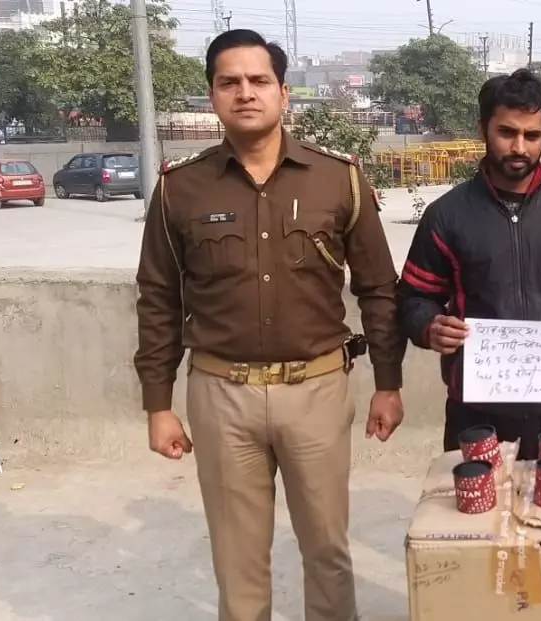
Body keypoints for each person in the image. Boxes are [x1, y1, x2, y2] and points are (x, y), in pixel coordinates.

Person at [134, 29, 406, 621]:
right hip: (221, 395)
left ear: (283, 92)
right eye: (229, 82)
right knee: (238, 561)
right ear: (212, 95)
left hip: (317, 390)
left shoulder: (337, 179)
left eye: (259, 80)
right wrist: (158, 403)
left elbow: (379, 288)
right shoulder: (180, 188)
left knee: (327, 550)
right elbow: (157, 298)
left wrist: (388, 382)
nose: (245, 93)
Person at [395, 69, 541, 460]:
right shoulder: (447, 216)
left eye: (532, 136)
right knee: (477, 500)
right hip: (475, 409)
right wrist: (429, 326)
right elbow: (414, 295)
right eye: (506, 132)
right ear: (483, 128)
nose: (519, 147)